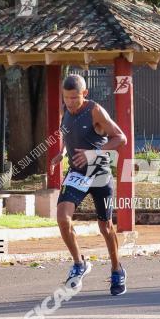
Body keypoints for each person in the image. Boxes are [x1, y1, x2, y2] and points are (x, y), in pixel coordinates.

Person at [49, 73, 128, 295]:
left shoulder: (95, 110)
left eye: (75, 98)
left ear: (85, 94)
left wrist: (93, 153)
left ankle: (116, 269)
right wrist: (61, 153)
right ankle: (78, 264)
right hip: (77, 173)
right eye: (66, 98)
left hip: (99, 173)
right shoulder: (65, 110)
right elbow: (67, 133)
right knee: (62, 218)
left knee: (105, 226)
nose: (71, 103)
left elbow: (121, 138)